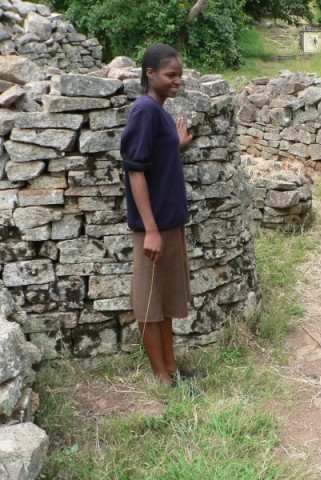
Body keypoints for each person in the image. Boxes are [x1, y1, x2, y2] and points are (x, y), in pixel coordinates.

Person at [120, 44, 202, 386]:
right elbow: (134, 170)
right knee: (150, 302)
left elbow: (154, 156)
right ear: (150, 73)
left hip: (170, 222)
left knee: (165, 300)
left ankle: (171, 366)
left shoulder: (159, 112)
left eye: (180, 75)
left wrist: (175, 143)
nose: (177, 81)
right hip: (154, 227)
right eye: (171, 75)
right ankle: (161, 376)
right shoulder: (145, 110)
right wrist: (150, 229)